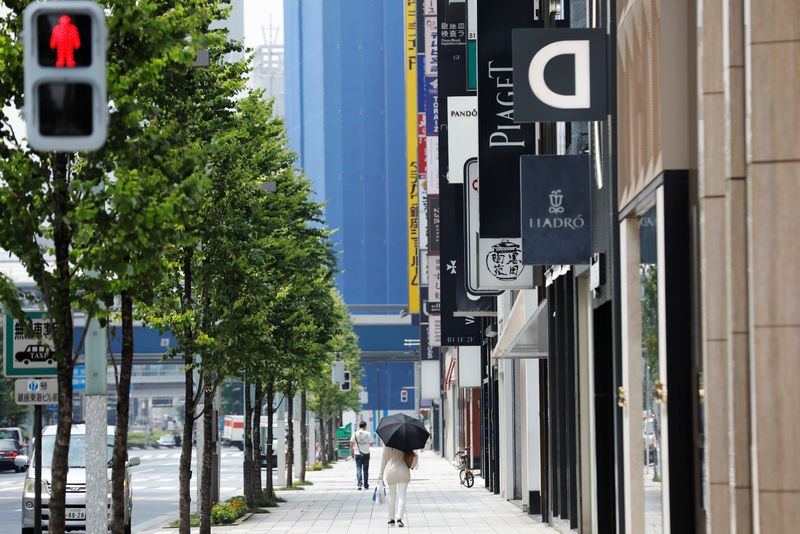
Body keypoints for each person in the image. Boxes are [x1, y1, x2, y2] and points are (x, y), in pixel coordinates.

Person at [379, 446, 418, 527]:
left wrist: (380, 476)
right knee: (402, 496)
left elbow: (383, 460)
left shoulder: (387, 444)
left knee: (392, 496)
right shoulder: (405, 441)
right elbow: (415, 458)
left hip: (391, 472)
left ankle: (391, 519)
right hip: (403, 471)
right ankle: (399, 518)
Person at [350, 421, 373, 490]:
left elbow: (351, 444)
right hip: (366, 453)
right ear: (365, 426)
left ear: (359, 426)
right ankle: (366, 485)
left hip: (357, 453)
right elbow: (371, 444)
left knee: (358, 469)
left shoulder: (355, 433)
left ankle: (359, 485)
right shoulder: (368, 433)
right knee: (365, 470)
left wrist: (351, 449)